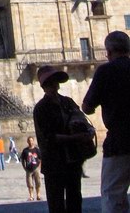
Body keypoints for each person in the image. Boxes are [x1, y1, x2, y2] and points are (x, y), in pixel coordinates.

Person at [82, 30, 130, 213]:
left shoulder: (105, 71)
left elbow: (87, 107)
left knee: (113, 195)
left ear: (109, 52)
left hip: (118, 143)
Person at [34, 64, 92, 213]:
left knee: (75, 200)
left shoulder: (67, 102)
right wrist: (74, 138)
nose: (55, 85)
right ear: (44, 86)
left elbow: (82, 119)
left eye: (55, 81)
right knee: (56, 204)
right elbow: (48, 137)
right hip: (54, 163)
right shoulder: (41, 108)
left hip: (73, 160)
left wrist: (89, 131)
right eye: (51, 82)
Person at [20, 136, 42, 201]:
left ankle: (38, 195)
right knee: (29, 183)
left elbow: (40, 159)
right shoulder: (25, 150)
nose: (30, 142)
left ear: (33, 141)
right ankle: (31, 196)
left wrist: (39, 167)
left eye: (31, 140)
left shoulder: (37, 150)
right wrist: (24, 167)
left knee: (38, 182)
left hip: (36, 168)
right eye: (29, 141)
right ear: (27, 142)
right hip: (28, 169)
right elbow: (23, 159)